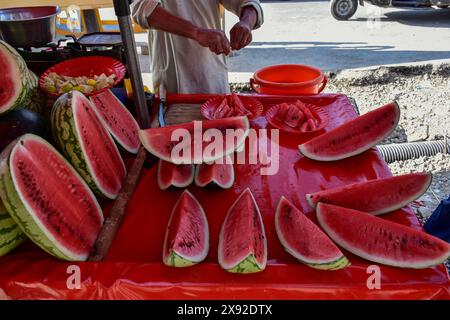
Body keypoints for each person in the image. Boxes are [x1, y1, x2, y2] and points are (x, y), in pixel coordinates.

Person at [131, 0, 264, 94]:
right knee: (176, 130)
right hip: (172, 79)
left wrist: (246, 22)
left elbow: (249, 3)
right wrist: (196, 32)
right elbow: (143, 9)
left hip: (212, 73)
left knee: (220, 128)